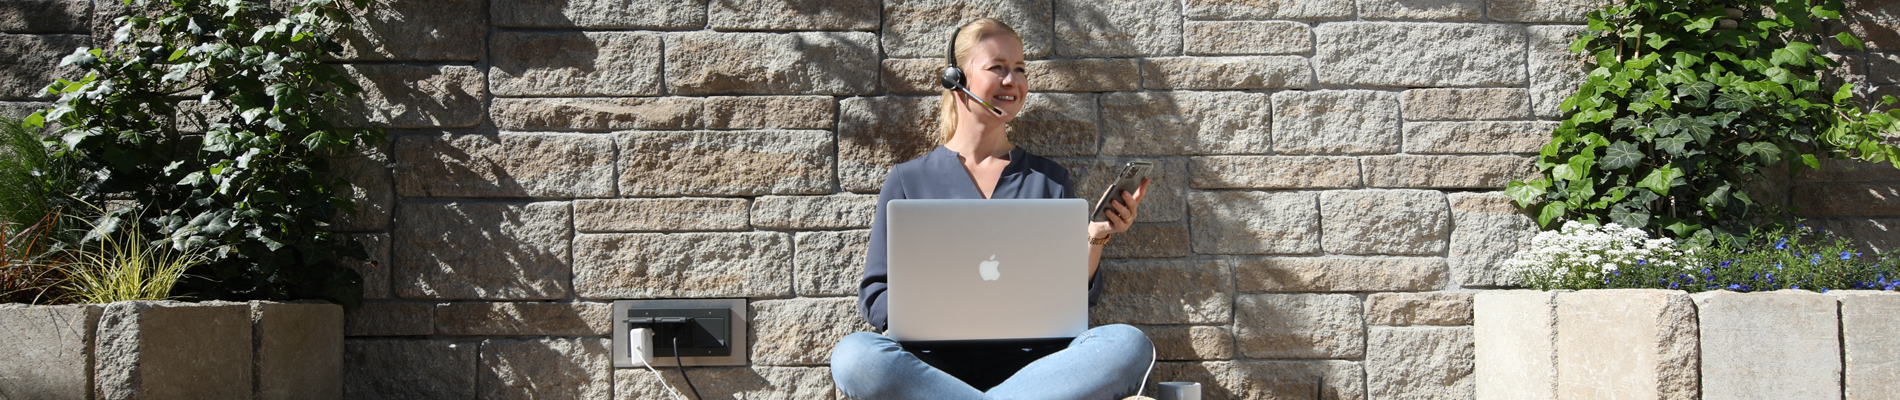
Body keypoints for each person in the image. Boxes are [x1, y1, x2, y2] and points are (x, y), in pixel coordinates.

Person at [828, 18, 1157, 400]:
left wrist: (1095, 237)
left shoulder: (1049, 179)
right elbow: (875, 295)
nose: (1012, 80)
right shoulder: (907, 180)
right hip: (932, 369)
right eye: (997, 67)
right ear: (956, 79)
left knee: (1128, 343)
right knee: (855, 356)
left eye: (1019, 69)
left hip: (1036, 369)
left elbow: (1070, 296)